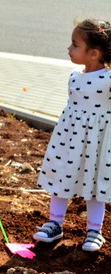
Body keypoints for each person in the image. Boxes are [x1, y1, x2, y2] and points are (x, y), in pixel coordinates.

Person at [33, 19, 111, 252]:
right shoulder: (75, 76)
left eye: (75, 45)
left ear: (94, 53)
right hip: (70, 139)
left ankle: (94, 231)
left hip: (98, 142)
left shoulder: (109, 81)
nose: (69, 48)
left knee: (96, 182)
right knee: (62, 178)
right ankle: (55, 223)